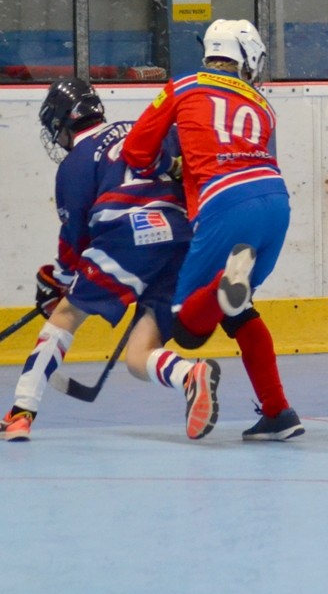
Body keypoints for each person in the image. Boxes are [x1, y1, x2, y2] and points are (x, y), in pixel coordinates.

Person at [0, 78, 221, 442]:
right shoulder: (142, 128)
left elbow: (75, 239)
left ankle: (21, 412)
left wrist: (61, 281)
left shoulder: (74, 163)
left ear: (62, 124)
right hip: (183, 240)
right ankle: (188, 375)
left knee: (65, 316)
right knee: (140, 354)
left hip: (127, 236)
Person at [121, 18, 303, 441]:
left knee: (187, 329)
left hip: (224, 203)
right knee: (240, 312)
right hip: (275, 202)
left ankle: (223, 284)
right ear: (247, 56)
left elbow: (136, 151)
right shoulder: (263, 106)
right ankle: (278, 413)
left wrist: (170, 166)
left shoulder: (183, 86)